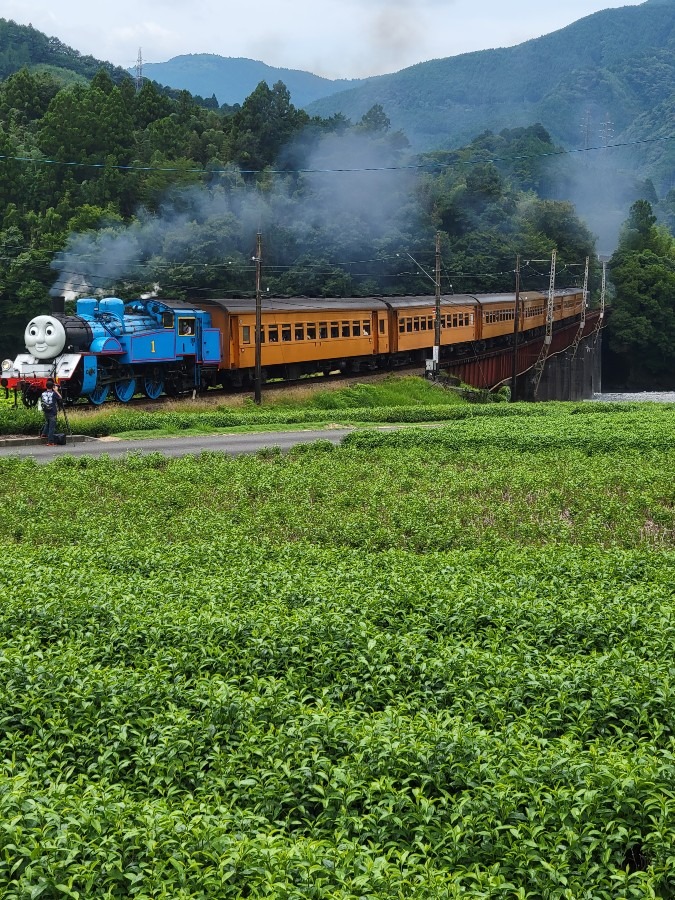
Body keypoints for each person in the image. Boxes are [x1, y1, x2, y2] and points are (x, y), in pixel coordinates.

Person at [40, 379, 63, 445]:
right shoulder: (54, 394)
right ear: (52, 387)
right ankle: (50, 441)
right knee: (51, 427)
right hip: (52, 411)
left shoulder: (43, 393)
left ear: (46, 386)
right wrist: (56, 390)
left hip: (46, 411)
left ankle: (44, 434)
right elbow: (60, 397)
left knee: (47, 422)